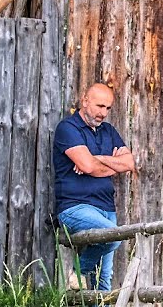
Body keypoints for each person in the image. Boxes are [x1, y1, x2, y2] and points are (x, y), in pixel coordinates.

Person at [53, 83, 135, 291]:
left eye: (108, 108)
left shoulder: (108, 131)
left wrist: (98, 158)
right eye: (99, 106)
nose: (103, 113)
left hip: (107, 209)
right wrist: (109, 164)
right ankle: (79, 272)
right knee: (114, 237)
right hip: (75, 208)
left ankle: (93, 293)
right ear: (85, 101)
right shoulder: (68, 128)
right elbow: (87, 166)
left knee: (104, 277)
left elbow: (129, 163)